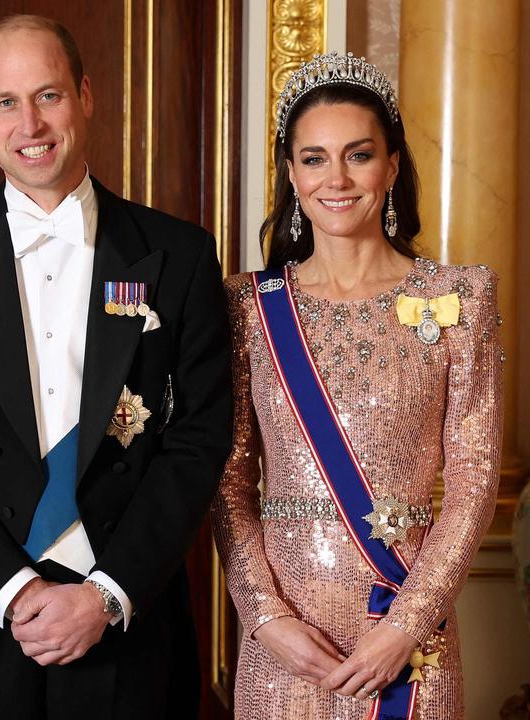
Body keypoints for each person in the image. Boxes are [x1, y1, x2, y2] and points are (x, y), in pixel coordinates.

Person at [0, 14, 231, 719]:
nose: (30, 123)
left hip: (129, 621)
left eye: (49, 95)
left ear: (87, 96)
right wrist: (16, 591)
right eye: (7, 102)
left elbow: (197, 442)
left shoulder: (179, 254)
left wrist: (107, 594)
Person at [214, 52, 501, 718]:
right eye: (314, 159)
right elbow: (229, 481)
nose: (336, 179)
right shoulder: (248, 308)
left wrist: (408, 623)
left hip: (408, 641)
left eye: (358, 155)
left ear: (393, 165)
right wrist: (265, 615)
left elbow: (473, 477)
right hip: (286, 646)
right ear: (291, 174)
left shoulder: (460, 296)